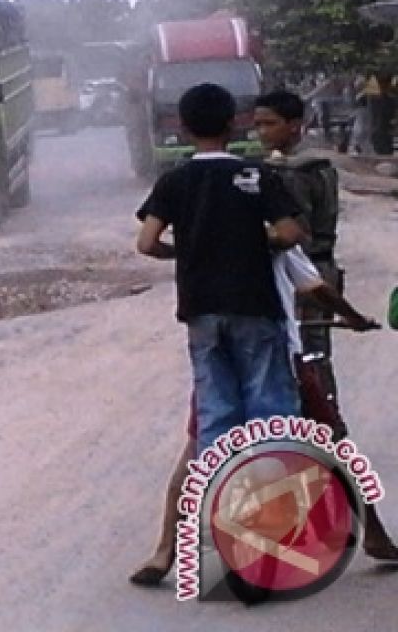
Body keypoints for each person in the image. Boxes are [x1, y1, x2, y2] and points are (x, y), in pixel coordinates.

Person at [129, 246, 381, 586]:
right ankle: (375, 535)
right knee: (333, 445)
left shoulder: (210, 235)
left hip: (223, 362)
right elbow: (313, 286)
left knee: (198, 449)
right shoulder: (276, 238)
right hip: (278, 360)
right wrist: (352, 316)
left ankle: (164, 552)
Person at [254, 88, 398, 559]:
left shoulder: (293, 174)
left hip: (303, 289)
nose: (263, 133)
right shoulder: (308, 169)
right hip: (301, 287)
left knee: (315, 407)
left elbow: (295, 243)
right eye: (258, 125)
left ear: (295, 125)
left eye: (270, 123)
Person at [136, 82, 304, 453]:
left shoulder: (174, 181)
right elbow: (291, 233)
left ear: (184, 128)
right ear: (233, 124)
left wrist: (187, 251)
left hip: (200, 307)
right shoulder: (257, 175)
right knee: (269, 408)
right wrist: (255, 244)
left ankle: (217, 501)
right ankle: (272, 496)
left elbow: (146, 243)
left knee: (216, 410)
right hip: (254, 303)